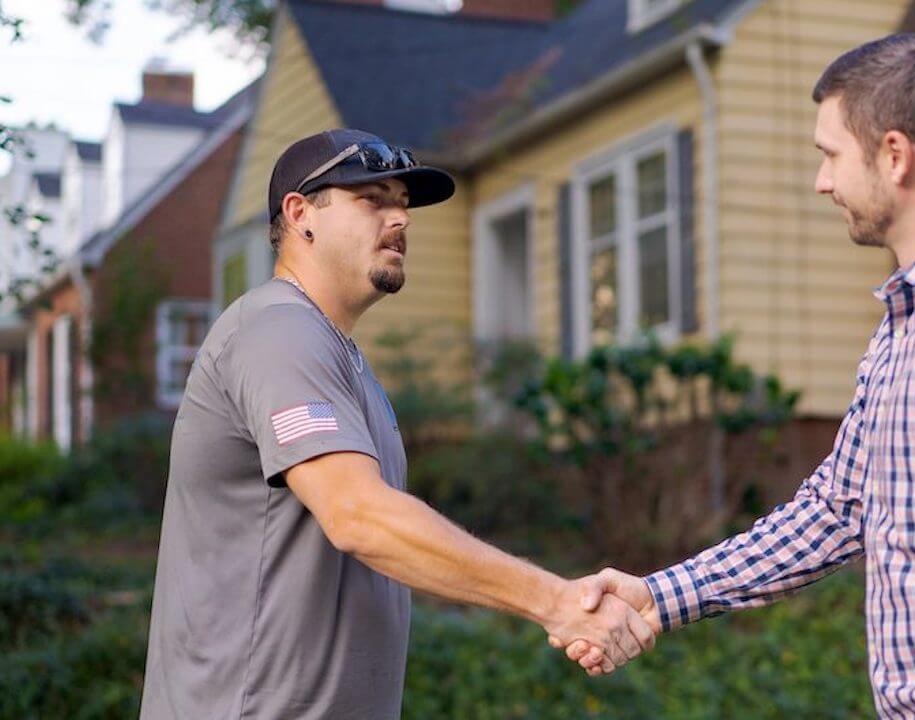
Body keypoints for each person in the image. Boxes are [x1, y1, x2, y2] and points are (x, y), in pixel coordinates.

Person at [559, 34, 915, 718]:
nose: (822, 181)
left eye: (831, 155)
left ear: (894, 155)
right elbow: (834, 512)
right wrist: (661, 596)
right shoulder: (910, 318)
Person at [140, 128, 652, 720]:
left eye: (402, 205)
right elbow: (361, 517)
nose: (400, 219)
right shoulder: (277, 332)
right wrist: (556, 600)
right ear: (300, 213)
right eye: (372, 200)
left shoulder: (342, 360)